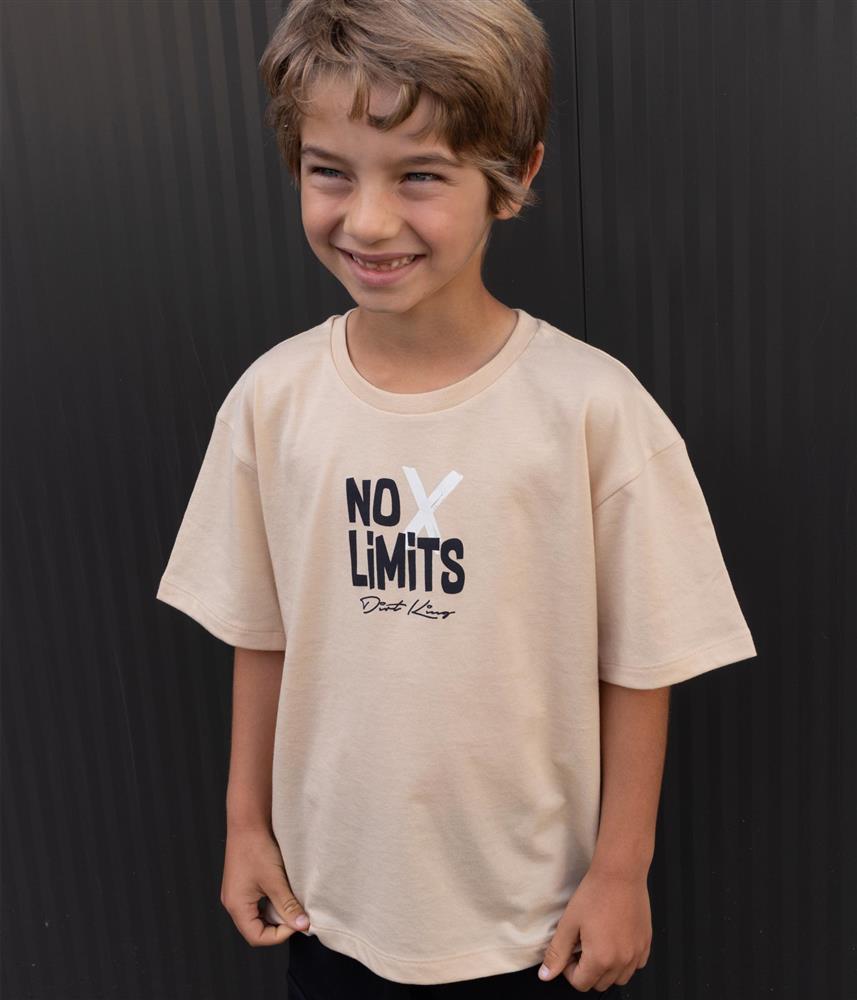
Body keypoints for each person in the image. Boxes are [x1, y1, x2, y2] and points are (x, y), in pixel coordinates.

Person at [155, 0, 758, 995]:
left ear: (513, 173)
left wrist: (620, 871)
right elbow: (259, 632)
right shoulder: (272, 401)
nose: (367, 220)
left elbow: (642, 660)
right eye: (329, 171)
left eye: (419, 175)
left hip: (532, 930)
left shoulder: (590, 410)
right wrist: (244, 825)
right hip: (328, 906)